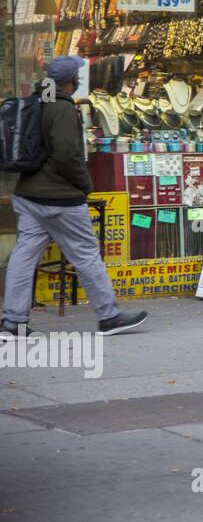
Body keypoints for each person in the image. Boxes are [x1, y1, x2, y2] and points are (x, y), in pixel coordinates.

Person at [2, 57, 147, 339]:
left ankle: (12, 322)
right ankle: (109, 317)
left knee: (24, 255)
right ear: (71, 81)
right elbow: (68, 155)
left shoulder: (36, 100)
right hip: (60, 197)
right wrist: (85, 185)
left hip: (28, 193)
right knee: (86, 255)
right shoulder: (62, 107)